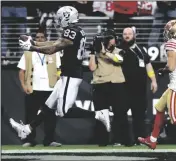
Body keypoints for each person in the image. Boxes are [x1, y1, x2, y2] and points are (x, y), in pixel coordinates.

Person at [9, 6, 110, 140]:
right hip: (67, 74)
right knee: (48, 106)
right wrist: (33, 44)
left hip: (71, 75)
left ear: (67, 17)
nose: (58, 19)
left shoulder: (71, 31)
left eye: (61, 17)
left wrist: (32, 47)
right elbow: (54, 43)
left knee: (62, 111)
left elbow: (52, 49)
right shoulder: (75, 30)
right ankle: (27, 129)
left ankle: (98, 114)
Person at [138, 20, 176, 149]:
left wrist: (162, 71)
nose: (166, 33)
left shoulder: (173, 43)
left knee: (175, 118)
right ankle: (152, 140)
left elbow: (170, 66)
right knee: (159, 107)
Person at [17, 29, 61, 147]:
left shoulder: (53, 52)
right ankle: (30, 140)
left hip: (50, 89)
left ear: (46, 39)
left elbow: (58, 70)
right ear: (34, 39)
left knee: (50, 116)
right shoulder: (28, 52)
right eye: (37, 37)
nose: (40, 39)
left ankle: (49, 140)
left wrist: (58, 83)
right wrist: (23, 85)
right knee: (30, 115)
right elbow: (21, 72)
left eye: (42, 37)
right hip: (33, 88)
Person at [89, 30, 130, 146]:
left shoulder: (120, 51)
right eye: (107, 38)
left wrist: (104, 52)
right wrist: (93, 52)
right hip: (100, 84)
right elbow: (92, 68)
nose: (110, 41)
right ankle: (102, 141)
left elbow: (119, 60)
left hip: (117, 84)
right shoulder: (97, 53)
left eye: (111, 38)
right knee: (101, 114)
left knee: (120, 113)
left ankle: (120, 139)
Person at [119, 27, 158, 145]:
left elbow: (148, 65)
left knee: (139, 116)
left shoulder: (140, 50)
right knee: (120, 114)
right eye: (125, 34)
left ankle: (139, 139)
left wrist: (154, 80)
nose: (127, 36)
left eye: (129, 34)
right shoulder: (119, 50)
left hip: (139, 89)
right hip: (123, 88)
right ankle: (122, 140)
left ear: (134, 35)